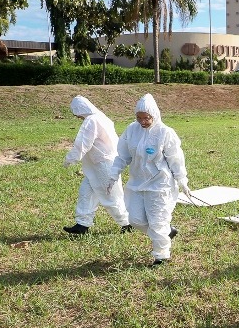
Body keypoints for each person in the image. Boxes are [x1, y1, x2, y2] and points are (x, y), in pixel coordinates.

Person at [108, 93, 190, 266]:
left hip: (160, 184)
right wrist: (113, 174)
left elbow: (175, 158)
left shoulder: (165, 133)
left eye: (147, 118)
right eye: (139, 118)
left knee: (157, 221)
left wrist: (182, 179)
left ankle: (162, 255)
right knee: (135, 220)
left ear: (155, 115)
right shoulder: (131, 130)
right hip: (137, 183)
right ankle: (167, 232)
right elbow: (122, 155)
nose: (142, 122)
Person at [62, 96, 131, 235]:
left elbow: (83, 143)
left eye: (77, 114)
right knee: (86, 192)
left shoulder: (91, 120)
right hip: (98, 165)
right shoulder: (101, 117)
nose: (78, 117)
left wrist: (71, 158)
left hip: (104, 165)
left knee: (111, 196)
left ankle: (128, 223)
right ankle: (82, 225)